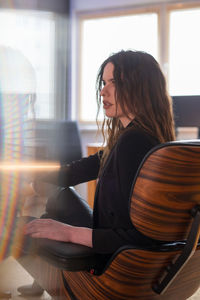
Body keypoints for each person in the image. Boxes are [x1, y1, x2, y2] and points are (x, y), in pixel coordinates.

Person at [17, 50, 175, 296]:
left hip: (113, 262)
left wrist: (67, 232)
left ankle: (49, 278)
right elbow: (82, 168)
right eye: (104, 83)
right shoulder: (142, 136)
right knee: (60, 197)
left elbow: (139, 239)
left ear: (141, 87)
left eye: (115, 82)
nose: (103, 91)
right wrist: (32, 186)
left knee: (16, 227)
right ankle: (42, 280)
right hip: (116, 246)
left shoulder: (133, 143)